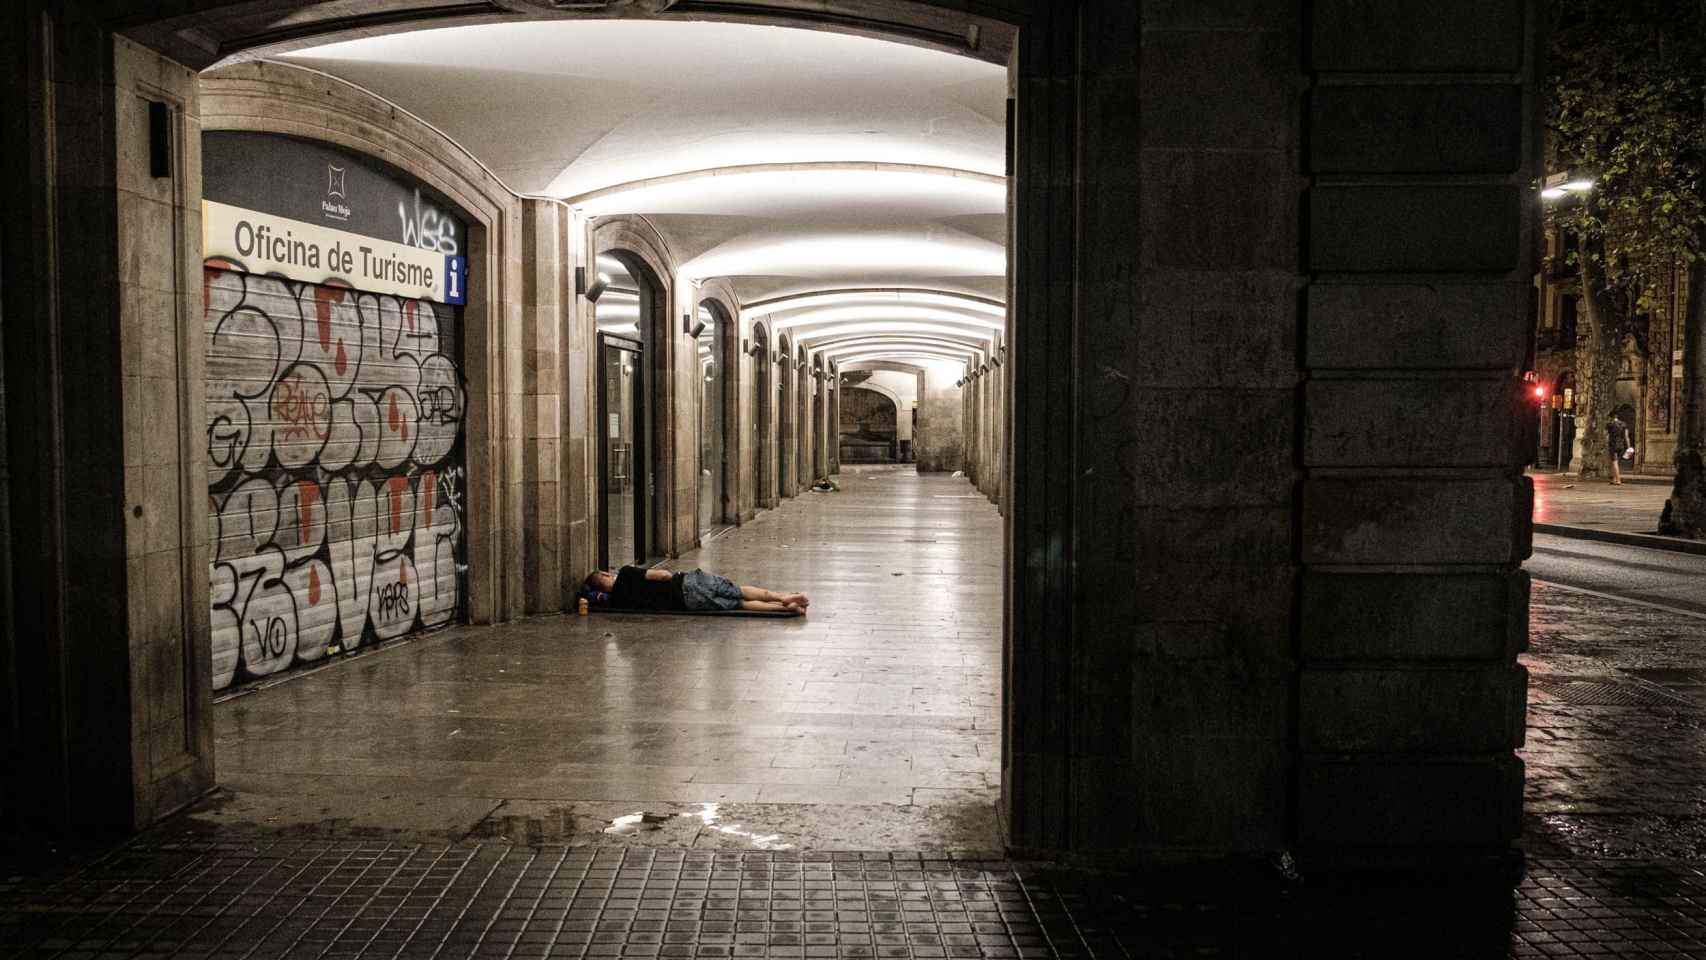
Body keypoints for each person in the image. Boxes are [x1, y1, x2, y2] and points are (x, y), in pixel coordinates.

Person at [583, 567, 810, 614]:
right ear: (604, 576)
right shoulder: (625, 574)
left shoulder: (619, 601)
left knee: (738, 605)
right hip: (687, 583)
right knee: (738, 591)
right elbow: (663, 576)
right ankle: (782, 597)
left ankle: (785, 609)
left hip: (687, 603)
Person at [1606, 413, 1631, 485]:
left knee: (1614, 462)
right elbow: (1626, 436)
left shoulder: (1609, 424)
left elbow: (1607, 436)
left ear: (1611, 417)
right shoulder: (1624, 424)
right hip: (1621, 444)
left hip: (1613, 444)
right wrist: (1629, 447)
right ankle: (1614, 479)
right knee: (1616, 462)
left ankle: (1618, 479)